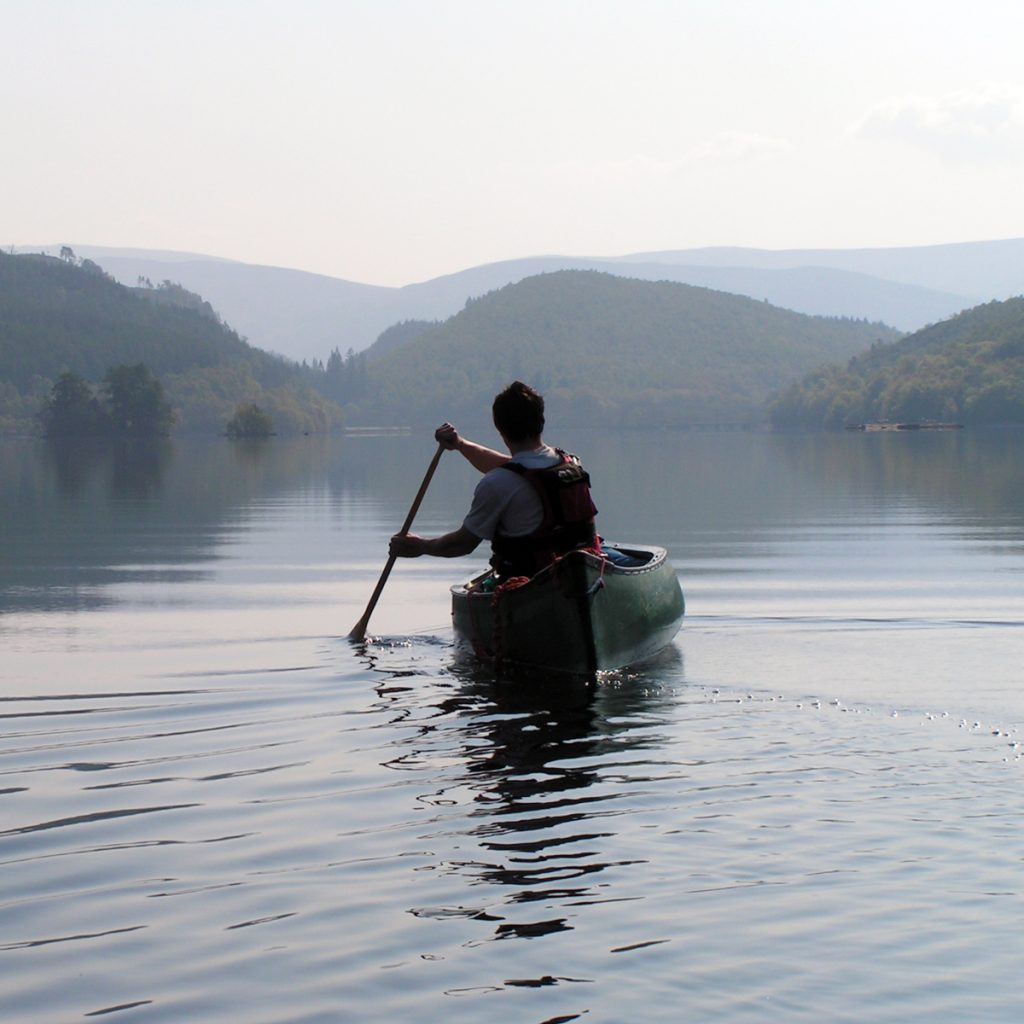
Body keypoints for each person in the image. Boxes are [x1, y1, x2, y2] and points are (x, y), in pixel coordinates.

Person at [389, 381, 599, 579]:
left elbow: (463, 544)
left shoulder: (497, 484)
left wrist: (421, 547)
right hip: (584, 574)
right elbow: (516, 469)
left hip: (531, 582)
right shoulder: (570, 464)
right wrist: (460, 444)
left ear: (499, 428)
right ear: (541, 421)